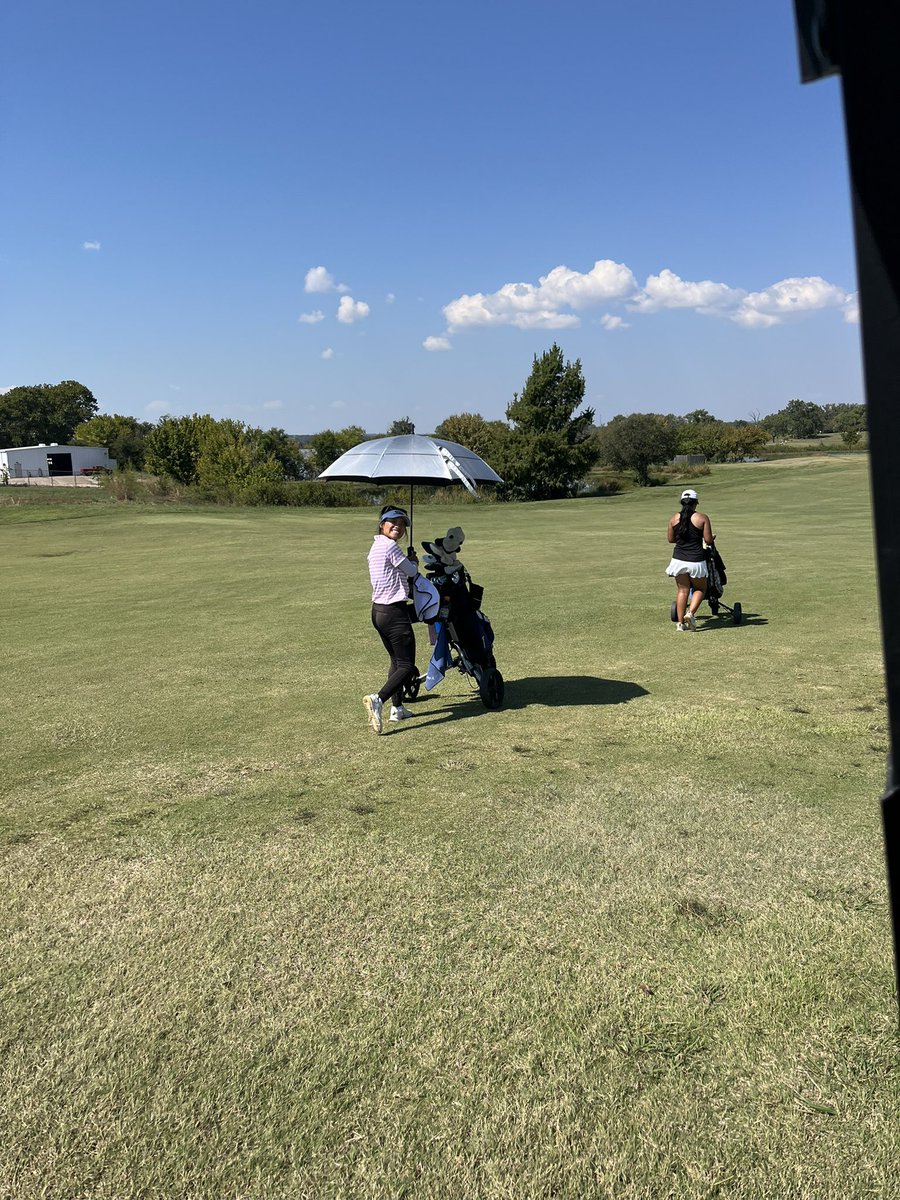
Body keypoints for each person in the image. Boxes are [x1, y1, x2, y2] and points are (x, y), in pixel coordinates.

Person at [363, 506, 420, 733]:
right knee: (407, 666)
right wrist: (413, 561)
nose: (398, 525)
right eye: (392, 521)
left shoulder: (376, 546)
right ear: (382, 524)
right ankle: (379, 699)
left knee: (396, 661)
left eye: (402, 523)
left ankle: (397, 708)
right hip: (394, 612)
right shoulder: (390, 546)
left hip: (378, 611)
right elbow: (412, 572)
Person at [666, 488, 715, 632]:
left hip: (678, 559)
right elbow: (708, 540)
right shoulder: (702, 518)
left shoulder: (674, 518)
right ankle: (690, 614)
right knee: (700, 588)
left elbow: (671, 539)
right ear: (696, 503)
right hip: (696, 560)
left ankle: (680, 624)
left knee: (682, 590)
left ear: (682, 502)